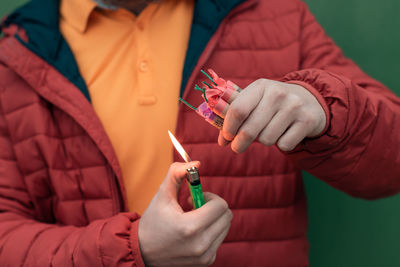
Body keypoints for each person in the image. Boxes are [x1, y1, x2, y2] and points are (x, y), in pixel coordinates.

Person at [0, 0, 399, 266]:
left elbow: (391, 160)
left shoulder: (272, 14)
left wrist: (325, 110)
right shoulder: (17, 49)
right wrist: (131, 249)